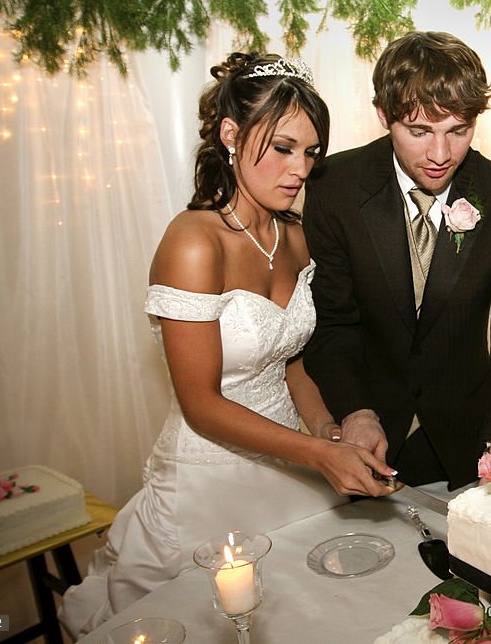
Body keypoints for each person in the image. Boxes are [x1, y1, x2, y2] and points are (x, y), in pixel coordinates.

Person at [59, 53, 396, 638]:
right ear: (231, 135)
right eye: (285, 147)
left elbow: (289, 359)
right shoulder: (193, 242)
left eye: (311, 153)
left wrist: (326, 431)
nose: (300, 169)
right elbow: (201, 403)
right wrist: (315, 454)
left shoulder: (292, 234)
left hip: (292, 463)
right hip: (210, 480)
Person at [303, 31, 491, 491]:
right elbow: (332, 319)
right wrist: (355, 411)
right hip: (367, 433)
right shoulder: (333, 187)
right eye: (419, 132)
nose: (440, 155)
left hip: (469, 437)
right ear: (382, 115)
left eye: (459, 130)